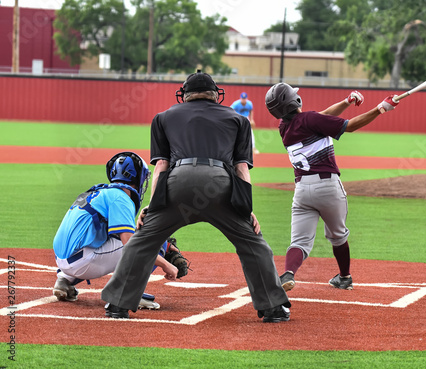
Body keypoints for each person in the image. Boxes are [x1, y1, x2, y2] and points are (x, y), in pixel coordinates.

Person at [101, 71, 291, 323]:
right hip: (219, 184)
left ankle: (117, 304)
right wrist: (245, 209)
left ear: (185, 95)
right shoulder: (238, 120)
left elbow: (161, 167)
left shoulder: (163, 118)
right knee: (253, 244)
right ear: (215, 95)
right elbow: (241, 169)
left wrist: (153, 206)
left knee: (143, 242)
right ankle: (273, 308)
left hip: (178, 182)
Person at [264, 83, 399, 292]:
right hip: (328, 187)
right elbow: (350, 126)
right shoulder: (311, 120)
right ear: (294, 100)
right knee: (338, 236)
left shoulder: (285, 127)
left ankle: (288, 273)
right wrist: (381, 108)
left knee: (299, 241)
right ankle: (344, 277)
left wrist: (346, 102)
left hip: (302, 191)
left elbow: (322, 116)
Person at [52, 151, 179, 311]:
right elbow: (132, 245)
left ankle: (64, 281)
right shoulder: (121, 197)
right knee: (150, 241)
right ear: (137, 177)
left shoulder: (99, 192)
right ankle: (129, 294)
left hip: (62, 259)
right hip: (83, 262)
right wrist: (166, 263)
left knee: (120, 238)